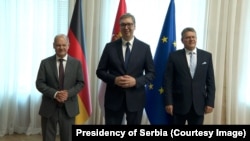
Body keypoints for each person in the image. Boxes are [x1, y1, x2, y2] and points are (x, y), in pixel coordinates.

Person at [96, 13, 155, 125]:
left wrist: (136, 81)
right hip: (113, 99)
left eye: (129, 24)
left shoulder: (144, 48)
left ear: (134, 26)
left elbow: (151, 73)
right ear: (120, 27)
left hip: (136, 98)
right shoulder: (110, 47)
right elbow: (100, 71)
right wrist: (114, 80)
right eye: (123, 25)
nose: (126, 27)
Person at [36, 34, 84, 141]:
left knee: (68, 138)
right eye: (58, 45)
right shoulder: (45, 63)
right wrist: (55, 94)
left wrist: (68, 93)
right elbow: (39, 83)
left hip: (69, 108)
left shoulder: (76, 63)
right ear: (53, 46)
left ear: (68, 46)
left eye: (63, 45)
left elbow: (80, 83)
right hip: (49, 107)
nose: (61, 48)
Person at [164, 27, 216, 125]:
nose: (191, 39)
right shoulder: (174, 56)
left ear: (196, 38)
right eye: (188, 37)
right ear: (182, 40)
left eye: (193, 37)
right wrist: (168, 102)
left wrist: (210, 102)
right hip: (179, 105)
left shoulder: (207, 56)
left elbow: (211, 82)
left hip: (199, 105)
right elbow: (168, 81)